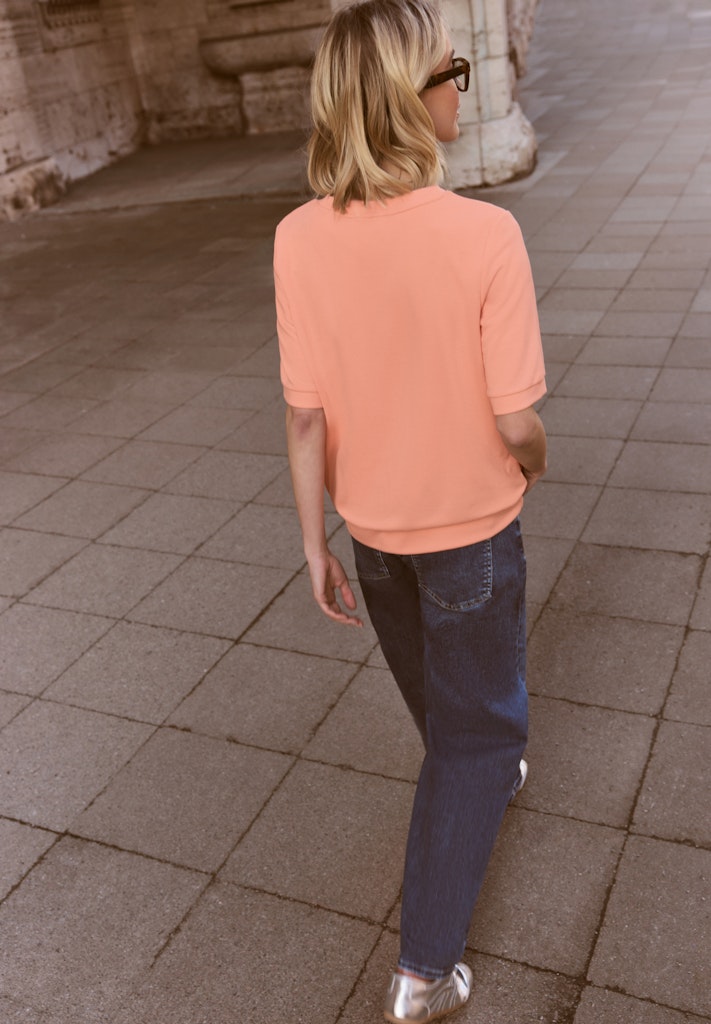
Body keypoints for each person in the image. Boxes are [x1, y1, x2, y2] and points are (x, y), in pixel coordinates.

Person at [274, 1, 547, 1020]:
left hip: (372, 535)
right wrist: (535, 462)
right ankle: (423, 974)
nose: (458, 90)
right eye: (450, 73)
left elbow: (305, 415)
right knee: (475, 733)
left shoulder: (298, 238)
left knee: (444, 703)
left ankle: (482, 771)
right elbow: (516, 420)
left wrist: (313, 542)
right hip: (471, 530)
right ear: (404, 97)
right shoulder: (485, 234)